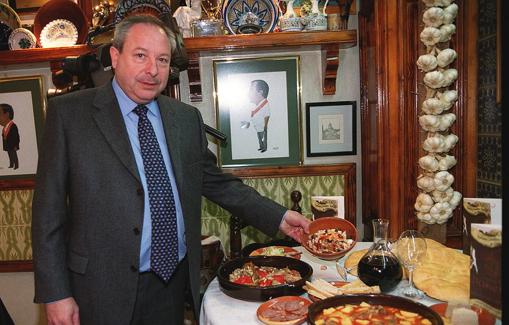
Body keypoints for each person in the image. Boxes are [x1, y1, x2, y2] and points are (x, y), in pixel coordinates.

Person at [31, 14, 310, 325]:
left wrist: (281, 217)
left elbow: (217, 183)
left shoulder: (185, 119)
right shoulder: (70, 115)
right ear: (115, 56)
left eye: (162, 60)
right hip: (99, 289)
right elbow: (48, 214)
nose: (152, 70)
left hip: (171, 286)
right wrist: (55, 293)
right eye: (141, 56)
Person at [248, 79, 270, 152]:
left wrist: (265, 127)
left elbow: (267, 116)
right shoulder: (258, 106)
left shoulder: (265, 104)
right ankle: (261, 146)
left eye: (251, 90)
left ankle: (264, 148)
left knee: (263, 138)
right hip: (258, 127)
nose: (248, 93)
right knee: (260, 138)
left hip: (262, 127)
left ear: (260, 92)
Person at [0, 103, 19, 170]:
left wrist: (16, 145)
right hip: (7, 145)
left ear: (7, 114)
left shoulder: (13, 126)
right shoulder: (4, 128)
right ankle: (11, 164)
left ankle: (16, 165)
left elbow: (16, 136)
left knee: (14, 155)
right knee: (10, 155)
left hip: (13, 145)